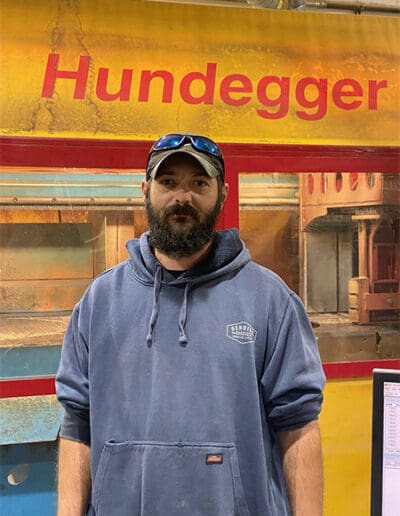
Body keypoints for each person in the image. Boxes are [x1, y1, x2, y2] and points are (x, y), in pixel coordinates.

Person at [56, 133, 326, 516]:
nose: (182, 197)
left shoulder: (269, 300)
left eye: (199, 183)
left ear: (223, 194)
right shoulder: (99, 302)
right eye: (168, 183)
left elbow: (299, 426)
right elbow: (76, 424)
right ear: (146, 190)